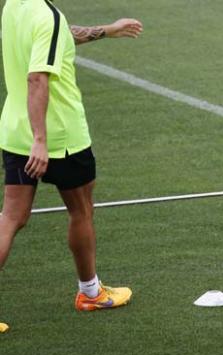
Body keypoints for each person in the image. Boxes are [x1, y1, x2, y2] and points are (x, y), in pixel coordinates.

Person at [0, 0, 143, 323]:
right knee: (81, 210)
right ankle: (91, 293)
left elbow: (59, 37)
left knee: (10, 218)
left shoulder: (15, 6)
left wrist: (107, 31)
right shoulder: (47, 16)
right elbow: (38, 78)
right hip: (58, 138)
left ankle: (91, 291)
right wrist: (41, 140)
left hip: (15, 130)